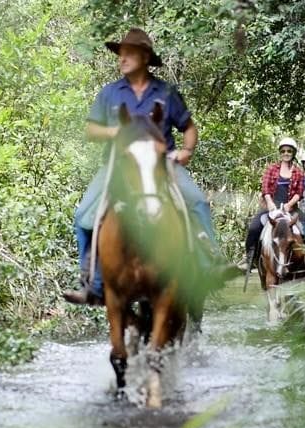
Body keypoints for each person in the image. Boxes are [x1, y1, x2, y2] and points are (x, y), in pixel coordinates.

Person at [63, 27, 224, 306]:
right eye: (120, 53)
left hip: (163, 165)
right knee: (82, 217)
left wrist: (187, 150)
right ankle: (92, 282)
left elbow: (189, 127)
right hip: (118, 166)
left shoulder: (166, 92)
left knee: (197, 202)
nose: (122, 58)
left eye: (128, 53)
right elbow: (91, 130)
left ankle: (209, 264)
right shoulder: (110, 93)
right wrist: (119, 134)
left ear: (145, 57)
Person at [239, 138, 305, 270]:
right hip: (272, 206)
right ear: (280, 153)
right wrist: (269, 202)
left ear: (293, 153)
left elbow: (299, 192)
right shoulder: (272, 169)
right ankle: (250, 258)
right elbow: (265, 188)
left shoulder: (298, 172)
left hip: (290, 207)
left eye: (289, 151)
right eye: (283, 151)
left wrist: (289, 204)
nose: (286, 153)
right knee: (254, 228)